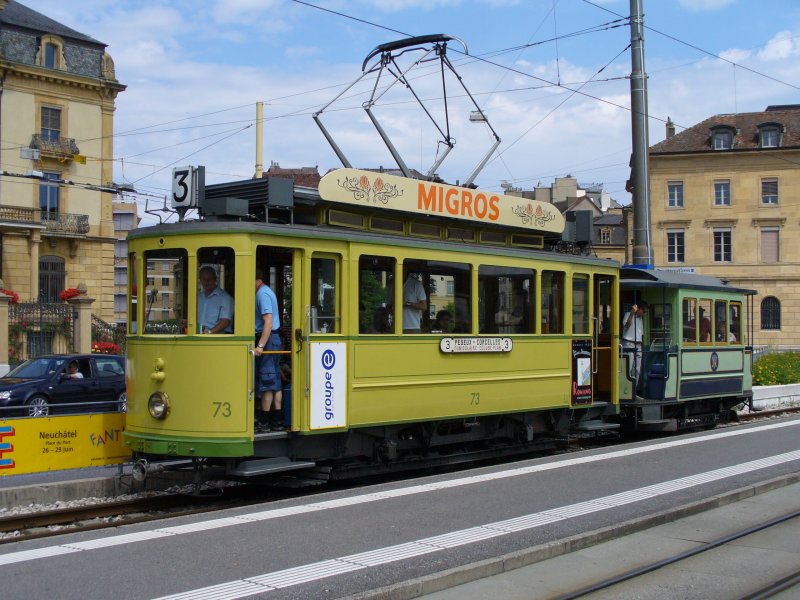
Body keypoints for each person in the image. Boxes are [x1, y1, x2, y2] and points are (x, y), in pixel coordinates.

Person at [254, 268, 283, 432]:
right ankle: (276, 419)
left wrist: (260, 346)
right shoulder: (266, 291)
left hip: (268, 339)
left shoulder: (262, 294)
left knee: (267, 380)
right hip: (273, 339)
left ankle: (265, 421)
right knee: (275, 380)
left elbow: (268, 322)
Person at [197, 266, 233, 334]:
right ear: (200, 280)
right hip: (199, 335)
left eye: (209, 279)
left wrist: (209, 333)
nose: (207, 282)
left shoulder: (225, 298)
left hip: (216, 338)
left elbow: (225, 322)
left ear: (215, 279)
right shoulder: (198, 297)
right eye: (204, 279)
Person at [622, 300, 647, 395]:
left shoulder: (640, 319)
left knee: (637, 369)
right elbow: (627, 325)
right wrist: (632, 312)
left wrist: (642, 346)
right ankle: (626, 391)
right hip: (629, 343)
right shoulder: (628, 314)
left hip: (638, 344)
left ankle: (634, 392)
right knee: (628, 367)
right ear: (638, 308)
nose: (643, 313)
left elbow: (642, 334)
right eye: (643, 311)